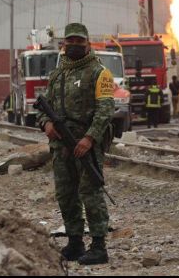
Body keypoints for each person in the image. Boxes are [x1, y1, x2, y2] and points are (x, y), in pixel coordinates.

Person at [37, 23, 115, 266]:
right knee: (66, 194)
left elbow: (105, 110)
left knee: (90, 193)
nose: (74, 45)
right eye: (70, 41)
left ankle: (99, 246)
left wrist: (89, 139)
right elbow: (43, 108)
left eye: (79, 42)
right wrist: (46, 125)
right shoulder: (57, 74)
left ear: (88, 44)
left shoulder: (99, 72)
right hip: (60, 145)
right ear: (63, 44)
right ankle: (75, 242)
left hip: (85, 144)